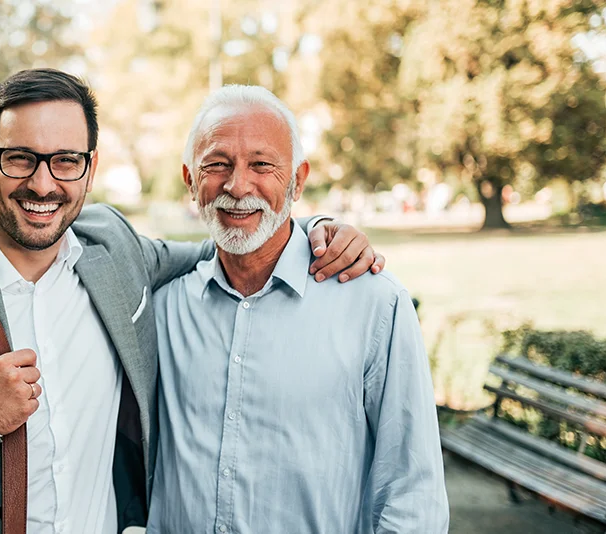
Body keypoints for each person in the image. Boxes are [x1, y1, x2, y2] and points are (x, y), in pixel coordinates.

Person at [0, 69, 382, 534]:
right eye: (20, 159)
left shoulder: (115, 248)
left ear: (90, 168)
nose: (43, 184)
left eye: (65, 160)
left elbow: (227, 243)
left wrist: (317, 230)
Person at [148, 86, 449, 532]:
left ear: (298, 180)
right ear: (190, 180)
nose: (237, 185)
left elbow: (414, 496)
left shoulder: (374, 304)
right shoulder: (163, 309)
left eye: (262, 164)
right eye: (217, 164)